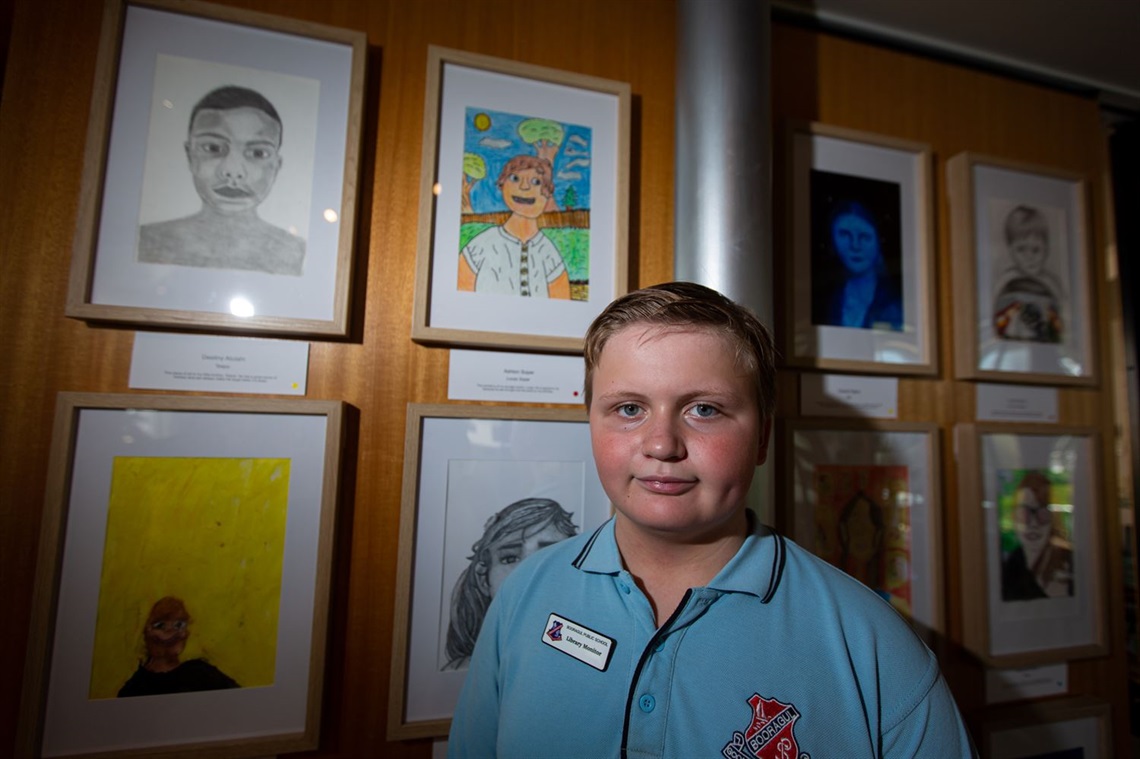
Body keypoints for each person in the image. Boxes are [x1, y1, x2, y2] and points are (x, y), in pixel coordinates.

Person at [449, 282, 974, 757]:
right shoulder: (523, 597)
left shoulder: (870, 642)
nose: (661, 445)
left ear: (763, 437)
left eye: (704, 409)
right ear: (590, 421)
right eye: (629, 409)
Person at [138, 85, 306, 276]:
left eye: (258, 153)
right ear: (190, 155)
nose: (232, 171)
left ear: (277, 165)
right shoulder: (145, 241)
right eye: (212, 148)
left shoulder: (297, 253)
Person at [443, 497, 578, 670]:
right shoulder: (467, 668)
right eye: (510, 559)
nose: (530, 573)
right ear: (483, 579)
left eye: (549, 554)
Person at [458, 155, 571, 298]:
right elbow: (461, 290)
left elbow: (561, 299)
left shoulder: (548, 251)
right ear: (502, 184)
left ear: (548, 193)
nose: (524, 187)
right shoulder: (482, 245)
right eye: (515, 179)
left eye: (536, 182)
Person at [118, 596, 239, 697]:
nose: (171, 632)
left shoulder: (202, 673)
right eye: (160, 625)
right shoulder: (134, 688)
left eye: (179, 624)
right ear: (144, 632)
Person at [813, 199, 903, 331]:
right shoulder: (822, 301)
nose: (855, 246)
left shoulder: (895, 304)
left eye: (864, 237)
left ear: (879, 240)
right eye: (845, 235)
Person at [992, 205, 1063, 343]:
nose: (1029, 257)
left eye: (1035, 250)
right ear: (1011, 250)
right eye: (1021, 249)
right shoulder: (1006, 282)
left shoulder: (1051, 284)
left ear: (1046, 249)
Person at [1000, 471, 1074, 601]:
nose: (1033, 524)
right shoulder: (1008, 568)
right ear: (1013, 518)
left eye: (1043, 513)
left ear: (1053, 519)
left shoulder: (1069, 564)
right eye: (1025, 513)